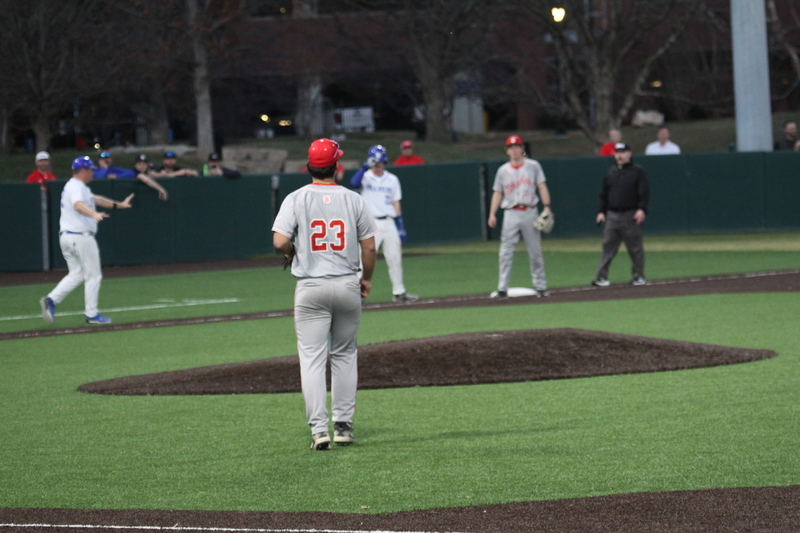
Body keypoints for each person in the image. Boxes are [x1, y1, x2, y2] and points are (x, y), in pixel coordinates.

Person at [272, 138, 378, 450]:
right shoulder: (353, 199)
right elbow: (370, 247)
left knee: (312, 360)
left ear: (309, 166)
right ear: (337, 165)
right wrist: (367, 279)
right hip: (346, 283)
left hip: (311, 287)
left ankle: (320, 430)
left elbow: (279, 242)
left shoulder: (296, 198)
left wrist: (292, 252)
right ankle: (343, 426)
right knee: (345, 355)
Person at [39, 156, 134, 326]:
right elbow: (78, 205)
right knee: (93, 275)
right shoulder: (76, 186)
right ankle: (92, 314)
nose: (93, 173)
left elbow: (97, 199)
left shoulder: (77, 186)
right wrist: (94, 214)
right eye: (91, 170)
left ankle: (51, 300)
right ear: (84, 171)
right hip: (80, 236)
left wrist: (119, 205)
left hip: (67, 237)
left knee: (77, 274)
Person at [350, 145, 418, 303]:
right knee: (364, 260)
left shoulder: (392, 179)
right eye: (376, 161)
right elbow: (353, 184)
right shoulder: (365, 176)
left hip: (388, 221)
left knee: (395, 258)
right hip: (370, 222)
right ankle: (357, 294)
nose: (378, 164)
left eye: (380, 161)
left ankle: (399, 292)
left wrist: (400, 225)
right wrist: (363, 167)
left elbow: (396, 203)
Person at [487, 135, 553, 298]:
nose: (514, 150)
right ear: (507, 150)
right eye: (511, 147)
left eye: (517, 146)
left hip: (530, 211)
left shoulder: (533, 166)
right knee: (505, 252)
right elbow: (498, 192)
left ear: (522, 148)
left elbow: (542, 185)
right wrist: (492, 213)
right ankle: (502, 287)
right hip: (511, 213)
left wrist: (547, 206)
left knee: (535, 251)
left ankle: (541, 287)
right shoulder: (503, 170)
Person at [592, 142, 650, 287]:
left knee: (635, 248)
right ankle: (601, 277)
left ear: (629, 153)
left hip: (630, 214)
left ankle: (638, 276)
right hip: (612, 215)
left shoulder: (637, 171)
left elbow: (644, 192)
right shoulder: (610, 171)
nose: (620, 155)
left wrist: (642, 209)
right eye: (617, 152)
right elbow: (603, 194)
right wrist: (601, 211)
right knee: (607, 247)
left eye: (623, 152)